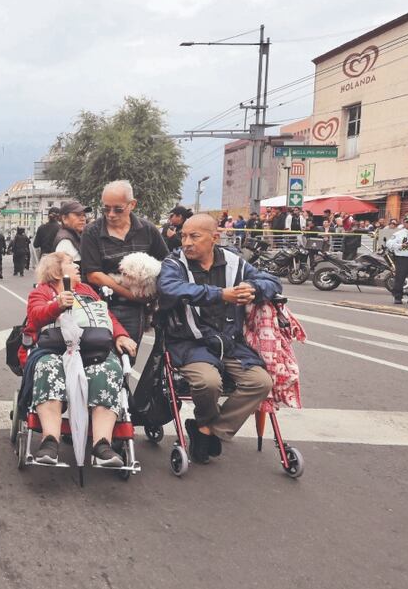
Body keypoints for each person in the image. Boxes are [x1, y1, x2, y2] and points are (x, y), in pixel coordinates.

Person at [157, 214, 280, 464]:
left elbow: (272, 282)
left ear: (215, 237)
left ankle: (207, 429)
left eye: (194, 236)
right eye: (183, 236)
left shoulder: (235, 262)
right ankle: (207, 427)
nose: (187, 242)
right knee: (208, 382)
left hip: (230, 342)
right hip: (190, 341)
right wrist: (220, 294)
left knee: (261, 382)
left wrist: (253, 289)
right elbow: (169, 288)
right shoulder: (174, 263)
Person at [22, 252, 138, 465]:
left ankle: (102, 445)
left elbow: (107, 317)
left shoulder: (88, 291)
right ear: (57, 271)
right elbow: (35, 316)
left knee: (110, 369)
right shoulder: (41, 292)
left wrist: (121, 335)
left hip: (93, 351)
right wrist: (56, 305)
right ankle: (50, 441)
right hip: (56, 350)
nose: (77, 266)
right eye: (70, 263)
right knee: (48, 367)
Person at [80, 180, 169, 342]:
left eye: (118, 209)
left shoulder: (148, 230)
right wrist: (132, 295)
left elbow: (167, 265)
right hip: (100, 307)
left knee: (129, 357)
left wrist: (152, 293)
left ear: (132, 205)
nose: (111, 214)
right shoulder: (91, 232)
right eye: (106, 208)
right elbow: (93, 275)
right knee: (98, 358)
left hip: (135, 311)